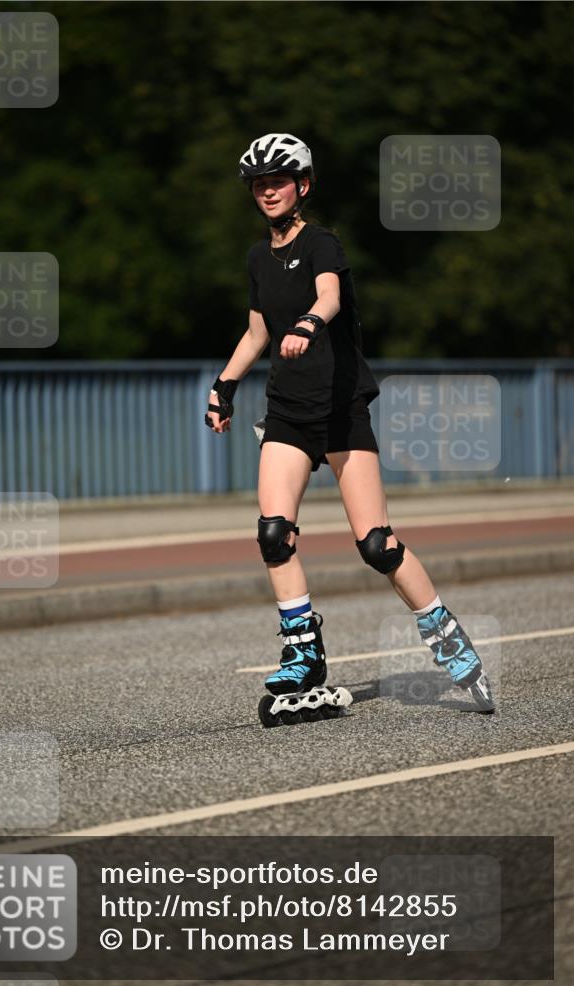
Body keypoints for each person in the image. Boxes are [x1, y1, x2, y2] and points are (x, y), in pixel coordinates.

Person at [205, 132, 494, 722]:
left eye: (278, 180)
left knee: (376, 545)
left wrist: (310, 322)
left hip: (340, 409)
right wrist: (224, 385)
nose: (267, 190)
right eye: (259, 183)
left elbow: (331, 295)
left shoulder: (322, 244)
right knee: (272, 535)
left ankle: (442, 630)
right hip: (287, 411)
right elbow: (258, 330)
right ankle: (304, 656)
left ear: (302, 186)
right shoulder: (258, 257)